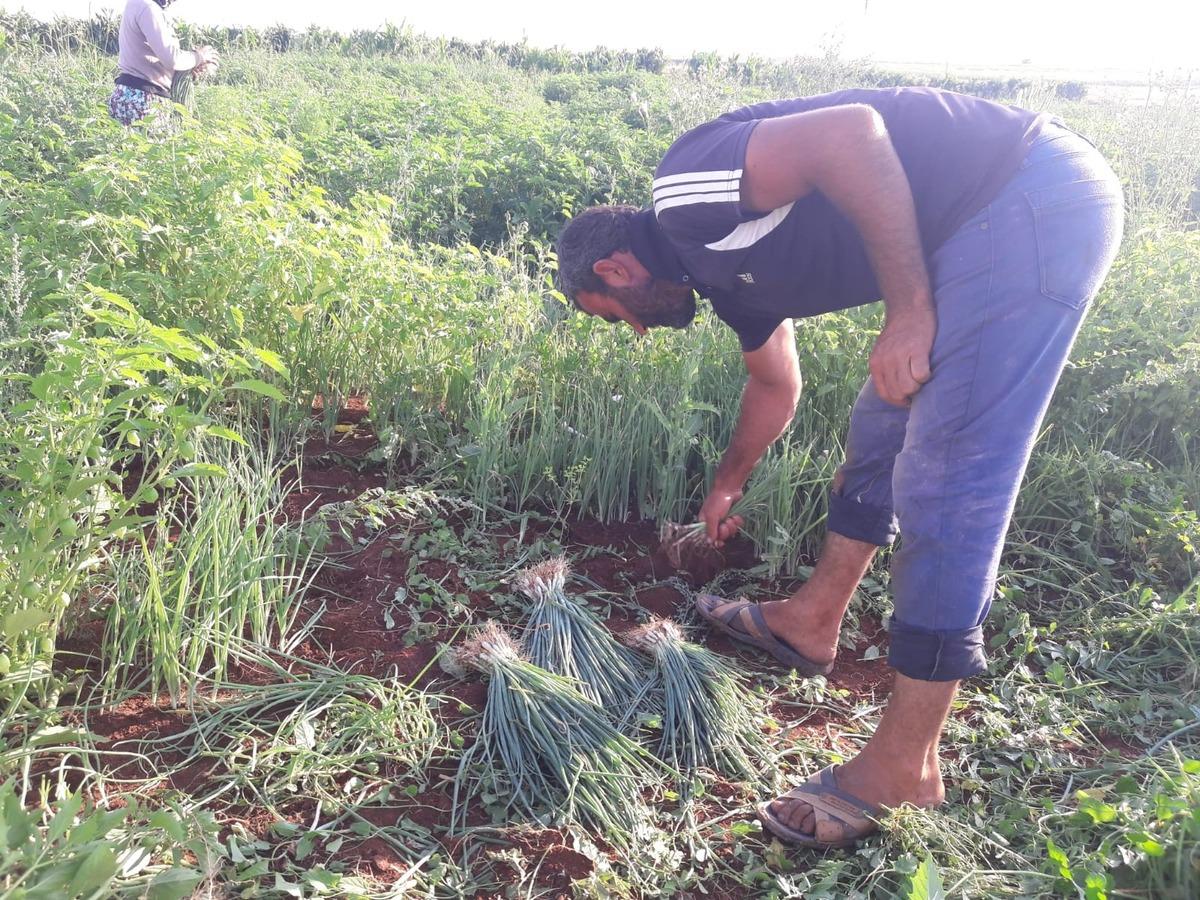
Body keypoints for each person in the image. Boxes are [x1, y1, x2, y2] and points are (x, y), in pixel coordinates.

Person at [555, 87, 1123, 849]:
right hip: (972, 227)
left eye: (612, 313)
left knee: (949, 478)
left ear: (614, 269)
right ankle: (810, 622)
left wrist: (909, 309)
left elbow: (851, 134)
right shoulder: (717, 275)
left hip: (1025, 196)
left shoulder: (685, 190)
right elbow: (774, 383)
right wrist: (726, 485)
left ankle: (904, 768)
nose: (633, 330)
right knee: (879, 424)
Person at [109, 0, 218, 126]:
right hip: (144, 99)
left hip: (127, 94)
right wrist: (199, 57)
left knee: (126, 144)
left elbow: (153, 56)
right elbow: (172, 58)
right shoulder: (148, 7)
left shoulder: (137, 4)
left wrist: (188, 67)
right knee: (150, 145)